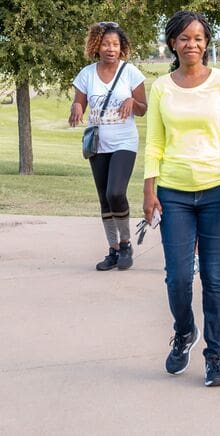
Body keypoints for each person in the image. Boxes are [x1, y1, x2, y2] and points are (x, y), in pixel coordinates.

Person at [143, 10, 220, 387]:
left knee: (215, 278)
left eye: (199, 38)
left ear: (206, 43)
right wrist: (149, 187)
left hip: (219, 190)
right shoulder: (161, 88)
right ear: (172, 43)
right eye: (184, 38)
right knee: (179, 277)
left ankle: (215, 356)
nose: (192, 44)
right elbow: (154, 141)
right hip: (174, 193)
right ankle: (184, 331)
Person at [69, 22, 147, 271]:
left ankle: (126, 244)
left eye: (115, 44)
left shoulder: (131, 72)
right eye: (105, 44)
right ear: (96, 46)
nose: (110, 48)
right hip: (98, 144)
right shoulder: (87, 74)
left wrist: (132, 101)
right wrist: (77, 107)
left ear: (121, 47)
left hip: (124, 142)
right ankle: (113, 249)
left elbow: (143, 109)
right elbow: (78, 103)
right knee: (104, 199)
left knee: (116, 193)